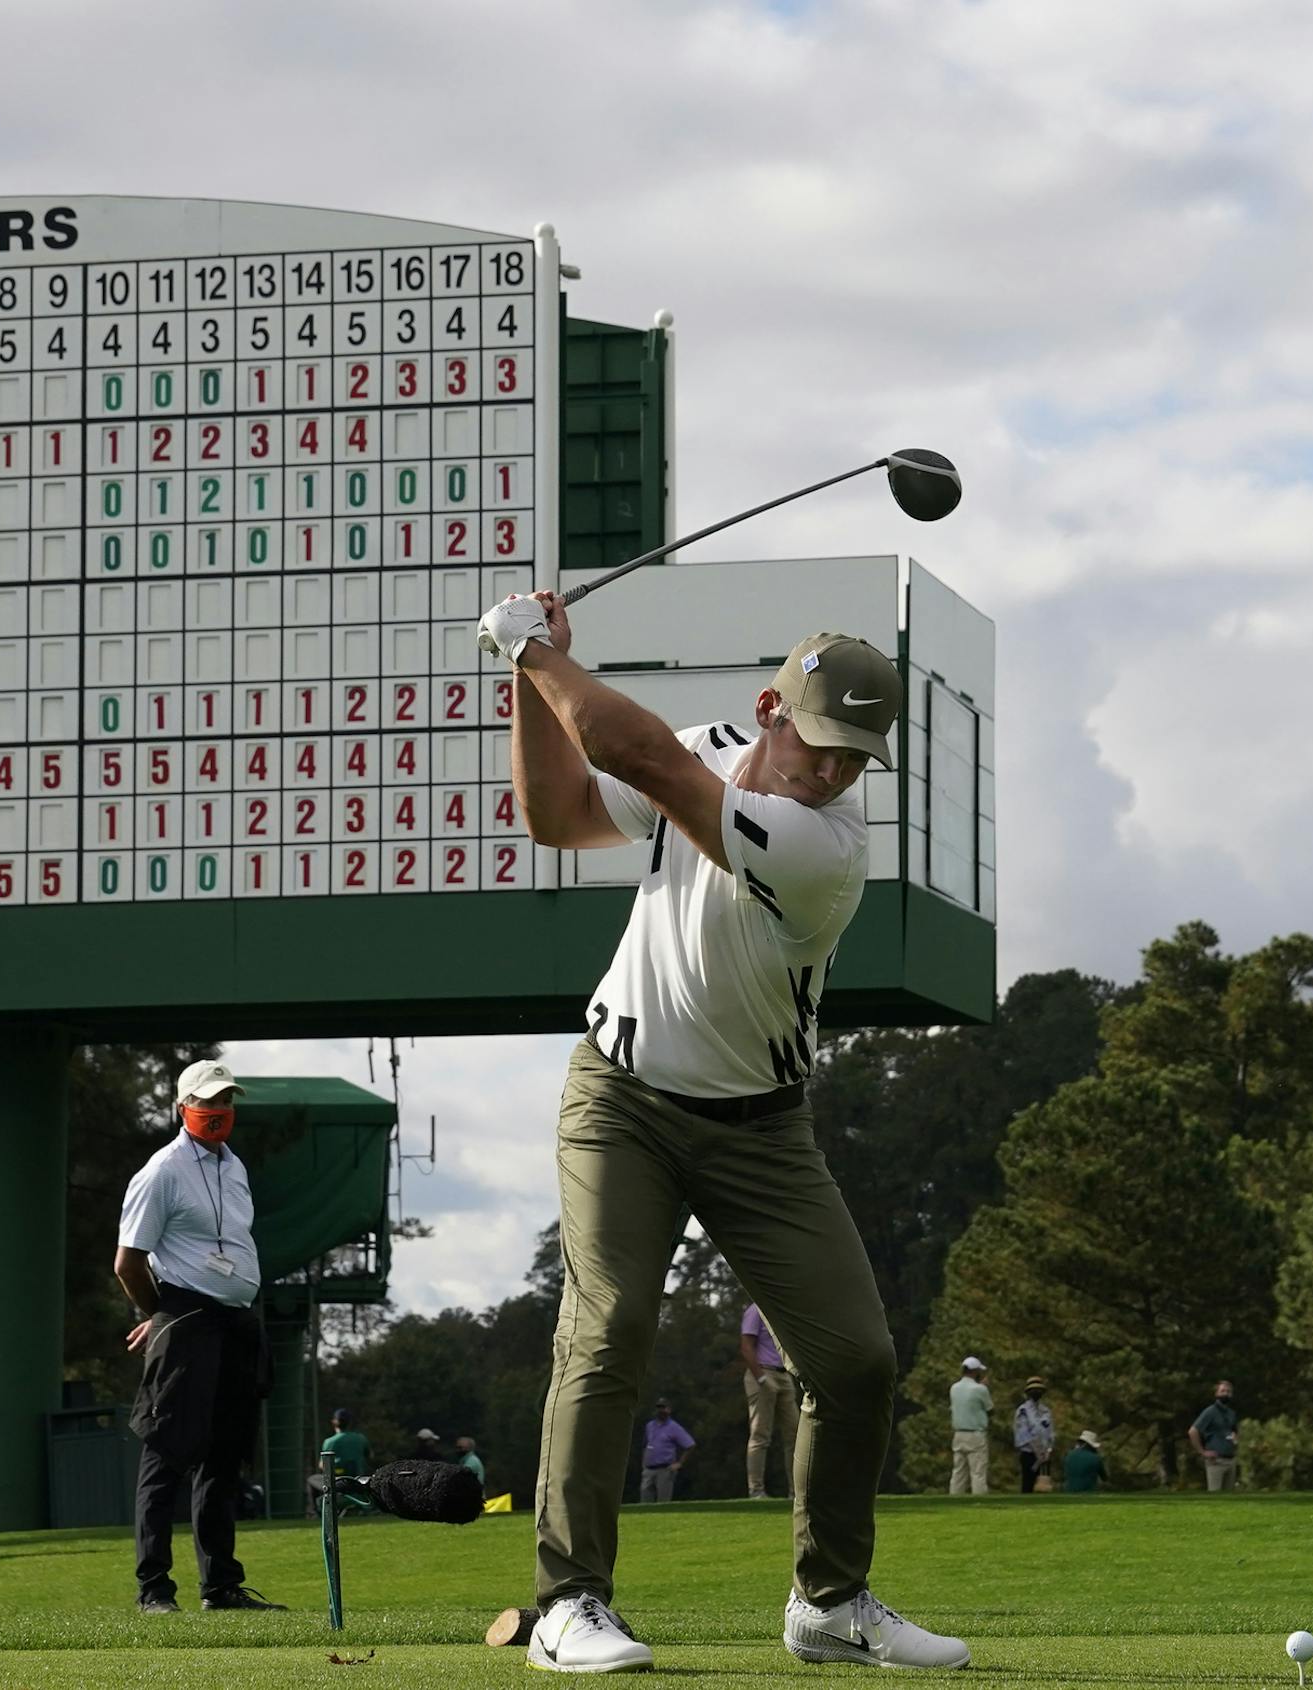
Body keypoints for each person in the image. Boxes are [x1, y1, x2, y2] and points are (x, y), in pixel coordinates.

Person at [482, 592, 968, 1672]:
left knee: (857, 1361)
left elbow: (641, 755)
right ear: (770, 711)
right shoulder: (713, 752)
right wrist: (532, 679)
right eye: (822, 743)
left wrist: (535, 647)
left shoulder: (821, 847)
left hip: (762, 1128)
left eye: (857, 757)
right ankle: (567, 1602)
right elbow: (557, 814)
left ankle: (829, 1601)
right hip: (622, 1099)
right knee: (607, 1331)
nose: (837, 771)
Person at [116, 1058, 283, 1615]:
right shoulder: (161, 1170)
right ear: (183, 1108)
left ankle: (222, 1587)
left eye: (227, 1102)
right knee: (166, 1454)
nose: (219, 1112)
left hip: (236, 1323)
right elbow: (128, 1261)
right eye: (208, 1103)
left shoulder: (233, 1167)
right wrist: (160, 1314)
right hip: (187, 1319)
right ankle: (154, 1589)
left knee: (223, 1460)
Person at [739, 1301, 797, 1500]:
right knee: (760, 1434)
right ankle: (756, 1491)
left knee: (796, 1435)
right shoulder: (755, 1311)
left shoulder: (778, 1311)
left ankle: (796, 1492)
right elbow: (746, 1347)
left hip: (784, 1375)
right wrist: (761, 1378)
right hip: (762, 1374)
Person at [307, 1407, 372, 1515]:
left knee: (311, 1479)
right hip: (358, 1481)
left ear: (334, 1422)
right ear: (349, 1422)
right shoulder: (361, 1438)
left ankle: (316, 1512)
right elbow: (370, 1456)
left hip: (338, 1482)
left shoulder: (329, 1442)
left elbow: (322, 1466)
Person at [949, 1357, 993, 1496]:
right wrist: (984, 1387)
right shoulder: (980, 1389)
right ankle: (979, 1501)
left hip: (959, 1434)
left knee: (958, 1472)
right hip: (975, 1434)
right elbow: (991, 1410)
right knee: (978, 1472)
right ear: (975, 1371)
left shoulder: (954, 1388)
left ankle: (954, 1500)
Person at [637, 1399, 695, 1503]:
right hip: (648, 1469)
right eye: (659, 1407)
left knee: (663, 1502)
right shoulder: (650, 1426)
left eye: (663, 1407)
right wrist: (643, 1464)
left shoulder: (674, 1427)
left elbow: (690, 1445)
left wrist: (679, 1463)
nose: (661, 1410)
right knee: (645, 1501)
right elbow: (645, 1445)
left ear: (669, 1410)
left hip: (665, 1469)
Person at [1188, 1380, 1239, 1490]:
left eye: (1229, 1391)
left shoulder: (1231, 1413)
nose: (1226, 1394)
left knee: (1230, 1501)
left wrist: (1235, 1440)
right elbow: (1193, 1431)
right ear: (1216, 1394)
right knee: (1215, 1498)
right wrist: (1202, 1452)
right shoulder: (1210, 1412)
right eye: (1223, 1391)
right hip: (1216, 1461)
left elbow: (1233, 1432)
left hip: (1230, 1460)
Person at [1012, 1377, 1054, 1494]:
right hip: (1029, 1454)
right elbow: (1023, 1433)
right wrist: (1037, 1451)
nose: (1037, 1392)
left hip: (1044, 1455)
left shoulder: (1045, 1411)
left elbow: (1050, 1432)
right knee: (1028, 1485)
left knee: (1043, 1486)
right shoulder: (1023, 1410)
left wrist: (1048, 1451)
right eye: (1034, 1390)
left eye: (1039, 1390)